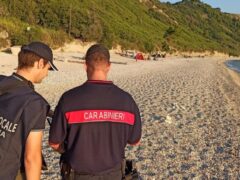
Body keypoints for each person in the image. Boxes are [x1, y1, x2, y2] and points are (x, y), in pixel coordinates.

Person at [49, 44, 142, 180]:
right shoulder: (127, 101)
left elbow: (54, 143)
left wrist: (68, 149)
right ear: (109, 66)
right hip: (114, 174)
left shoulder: (68, 99)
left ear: (85, 66)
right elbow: (134, 140)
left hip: (77, 175)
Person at [0, 41, 58, 180]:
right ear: (40, 63)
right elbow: (31, 158)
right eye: (48, 68)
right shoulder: (35, 104)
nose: (47, 74)